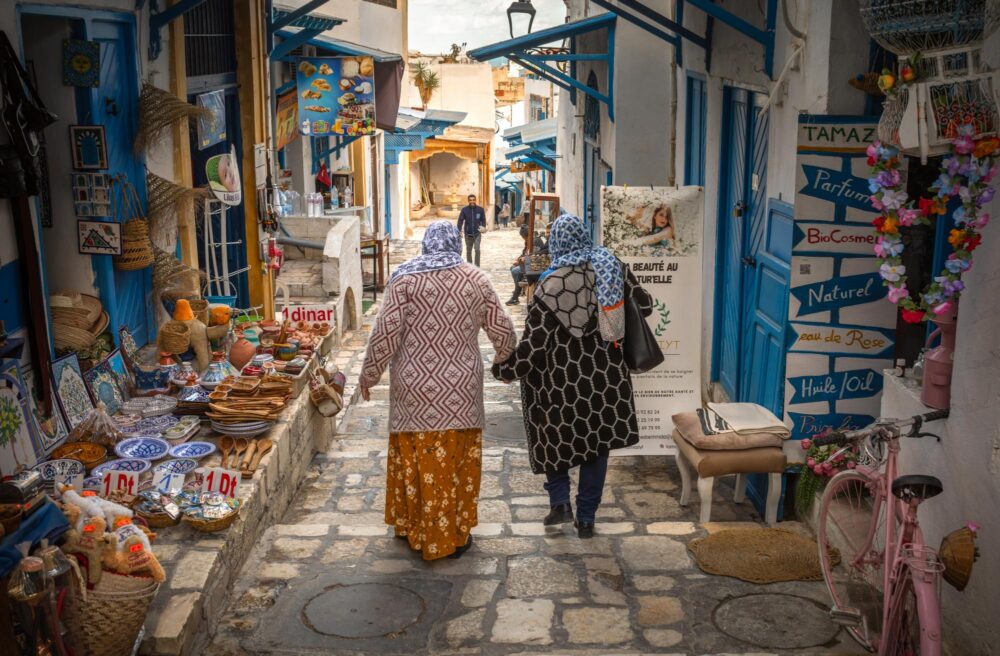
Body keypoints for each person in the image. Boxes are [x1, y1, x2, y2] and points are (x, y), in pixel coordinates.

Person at [359, 221, 516, 560]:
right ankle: (452, 536)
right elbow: (503, 330)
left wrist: (368, 376)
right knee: (457, 464)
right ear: (456, 243)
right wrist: (505, 363)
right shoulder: (476, 279)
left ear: (427, 243)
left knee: (415, 460)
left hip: (412, 392)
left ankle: (412, 527)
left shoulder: (404, 279)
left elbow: (384, 336)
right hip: (461, 392)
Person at [493, 214, 652, 538]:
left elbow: (534, 346)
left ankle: (560, 503)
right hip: (605, 378)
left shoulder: (549, 286)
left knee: (555, 438)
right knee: (597, 445)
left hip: (559, 383)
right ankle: (588, 517)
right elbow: (645, 306)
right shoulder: (611, 266)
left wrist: (506, 370)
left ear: (557, 244)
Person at [506, 224, 545, 306]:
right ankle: (518, 289)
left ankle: (515, 296)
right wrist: (519, 259)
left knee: (516, 271)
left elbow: (534, 255)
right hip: (529, 263)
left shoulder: (535, 241)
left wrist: (523, 260)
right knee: (512, 268)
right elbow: (525, 253)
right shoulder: (529, 240)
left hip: (536, 265)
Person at [456, 194, 486, 266]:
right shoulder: (464, 210)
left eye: (473, 200)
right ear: (468, 201)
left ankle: (477, 266)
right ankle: (470, 266)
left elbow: (483, 219)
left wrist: (483, 227)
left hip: (477, 233)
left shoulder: (480, 209)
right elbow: (460, 220)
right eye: (470, 200)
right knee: (468, 251)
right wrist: (459, 231)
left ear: (475, 200)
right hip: (468, 234)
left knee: (477, 249)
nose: (472, 201)